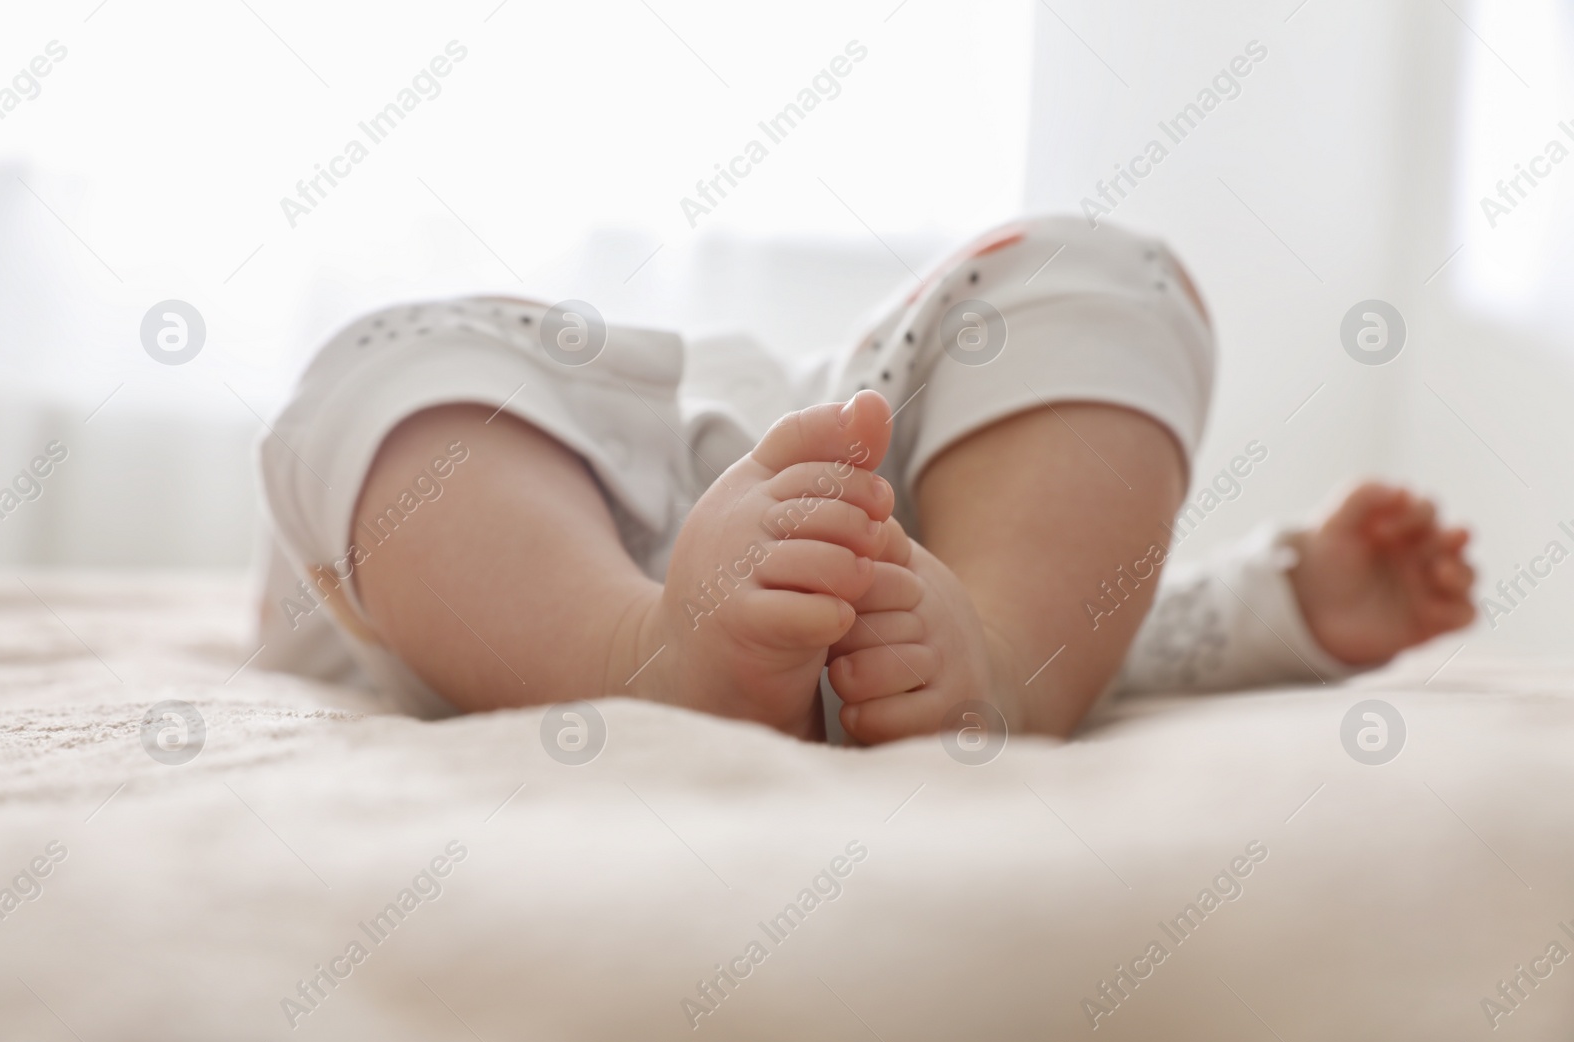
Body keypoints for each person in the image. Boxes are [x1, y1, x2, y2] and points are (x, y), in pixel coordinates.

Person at [254, 217, 1476, 744]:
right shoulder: (405, 539)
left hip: (905, 493)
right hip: (574, 560)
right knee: (387, 367)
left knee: (1101, 275)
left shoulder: (915, 562)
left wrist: (1273, 604)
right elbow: (348, 516)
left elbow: (1124, 632)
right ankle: (646, 656)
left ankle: (995, 657)